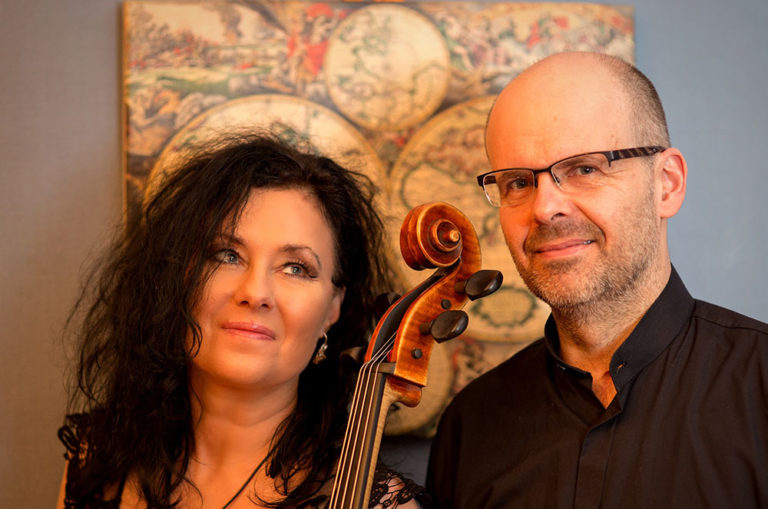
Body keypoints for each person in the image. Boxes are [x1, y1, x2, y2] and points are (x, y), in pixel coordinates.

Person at [426, 51, 768, 507]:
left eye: (585, 169)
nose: (545, 208)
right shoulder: (470, 424)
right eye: (518, 182)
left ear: (666, 184)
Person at [57, 134, 429, 508]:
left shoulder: (379, 504)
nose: (255, 292)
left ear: (332, 308)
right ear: (177, 279)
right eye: (227, 255)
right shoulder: (96, 461)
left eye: (295, 268)